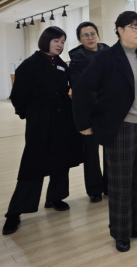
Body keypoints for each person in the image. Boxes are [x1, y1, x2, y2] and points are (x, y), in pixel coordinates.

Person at [72, 11, 137, 252]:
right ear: (119, 30)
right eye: (134, 28)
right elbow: (82, 90)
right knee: (120, 184)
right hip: (120, 127)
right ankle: (121, 232)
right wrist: (84, 124)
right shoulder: (105, 58)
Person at [2, 27, 83, 236]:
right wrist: (30, 113)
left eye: (62, 42)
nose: (60, 45)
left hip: (62, 119)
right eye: (56, 40)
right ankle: (15, 212)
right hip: (40, 120)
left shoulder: (61, 64)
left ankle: (55, 197)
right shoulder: (30, 64)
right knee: (33, 164)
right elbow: (18, 96)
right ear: (46, 40)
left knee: (61, 159)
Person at [69, 21, 110, 203]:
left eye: (92, 33)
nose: (90, 38)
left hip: (109, 112)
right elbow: (79, 91)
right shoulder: (76, 60)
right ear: (80, 39)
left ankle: (110, 186)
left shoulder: (109, 53)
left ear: (98, 35)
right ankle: (94, 190)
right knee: (91, 155)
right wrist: (83, 122)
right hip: (89, 112)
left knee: (111, 152)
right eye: (85, 35)